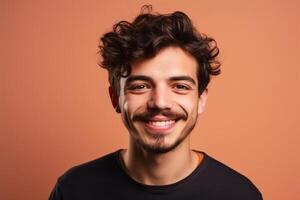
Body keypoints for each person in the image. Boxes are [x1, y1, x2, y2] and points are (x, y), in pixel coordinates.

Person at [49, 5, 262, 200]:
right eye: (140, 86)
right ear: (116, 98)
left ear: (200, 99)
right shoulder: (73, 190)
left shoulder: (239, 195)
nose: (159, 103)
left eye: (180, 86)